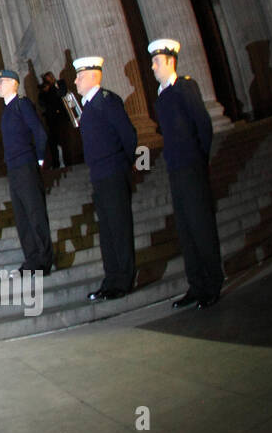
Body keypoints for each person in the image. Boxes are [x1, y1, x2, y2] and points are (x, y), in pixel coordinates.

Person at [150, 38, 222, 309]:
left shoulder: (185, 87)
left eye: (156, 62)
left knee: (202, 227)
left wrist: (198, 159)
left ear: (170, 61)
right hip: (176, 169)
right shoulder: (162, 94)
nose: (153, 67)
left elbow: (203, 125)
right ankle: (196, 284)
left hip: (191, 166)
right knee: (186, 230)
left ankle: (213, 283)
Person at [74, 56, 138, 301]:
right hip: (99, 175)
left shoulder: (107, 101)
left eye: (80, 76)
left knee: (119, 228)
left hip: (113, 172)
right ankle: (111, 279)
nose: (76, 80)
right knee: (108, 231)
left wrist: (123, 164)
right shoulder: (89, 106)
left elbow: (128, 135)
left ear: (93, 76)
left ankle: (124, 280)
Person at [0, 68, 54, 276]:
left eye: (1, 82)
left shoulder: (22, 104)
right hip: (13, 168)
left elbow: (39, 132)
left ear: (13, 83)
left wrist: (38, 160)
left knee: (35, 213)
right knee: (22, 217)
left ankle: (44, 260)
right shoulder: (6, 110)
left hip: (27, 166)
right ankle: (31, 259)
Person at [38, 71, 71, 168]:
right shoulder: (44, 90)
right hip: (51, 119)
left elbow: (62, 93)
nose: (49, 79)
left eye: (50, 77)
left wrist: (53, 88)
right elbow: (42, 102)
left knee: (65, 140)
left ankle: (69, 161)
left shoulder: (59, 84)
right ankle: (55, 163)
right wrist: (45, 91)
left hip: (62, 117)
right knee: (53, 142)